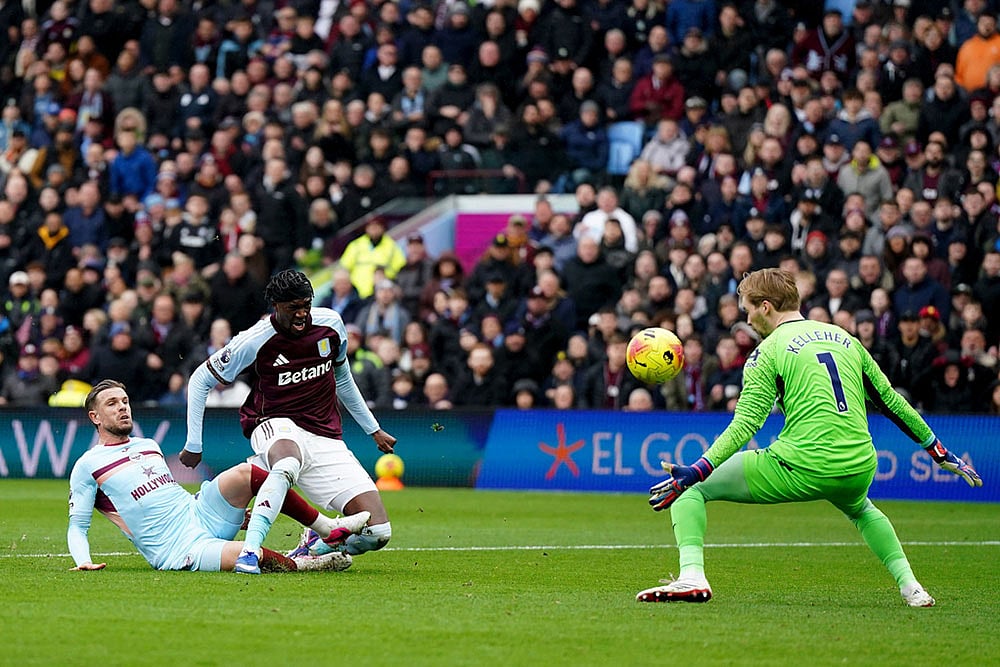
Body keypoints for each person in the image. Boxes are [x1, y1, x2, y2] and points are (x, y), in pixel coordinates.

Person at [636, 268, 983, 607]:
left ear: (766, 307)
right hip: (858, 465)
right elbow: (891, 402)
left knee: (691, 488)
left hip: (802, 464)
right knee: (861, 508)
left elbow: (746, 425)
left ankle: (692, 577)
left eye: (748, 310)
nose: (747, 320)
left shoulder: (767, 352)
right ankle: (912, 588)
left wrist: (698, 469)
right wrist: (939, 452)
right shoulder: (846, 339)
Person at [180, 270, 397, 574]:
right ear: (276, 307)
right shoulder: (255, 339)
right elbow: (201, 378)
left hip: (324, 435)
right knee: (287, 464)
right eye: (293, 307)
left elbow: (342, 378)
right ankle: (250, 552)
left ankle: (313, 544)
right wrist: (193, 443)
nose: (302, 313)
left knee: (377, 533)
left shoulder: (331, 324)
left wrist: (373, 429)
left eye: (306, 305)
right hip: (272, 422)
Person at [68, 380, 369, 573]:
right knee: (246, 554)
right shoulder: (88, 465)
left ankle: (327, 528)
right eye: (112, 404)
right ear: (95, 417)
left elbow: (169, 495)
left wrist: (233, 516)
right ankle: (304, 564)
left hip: (198, 513)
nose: (123, 408)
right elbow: (78, 525)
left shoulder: (148, 446)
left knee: (247, 473)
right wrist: (83, 560)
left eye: (124, 401)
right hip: (178, 549)